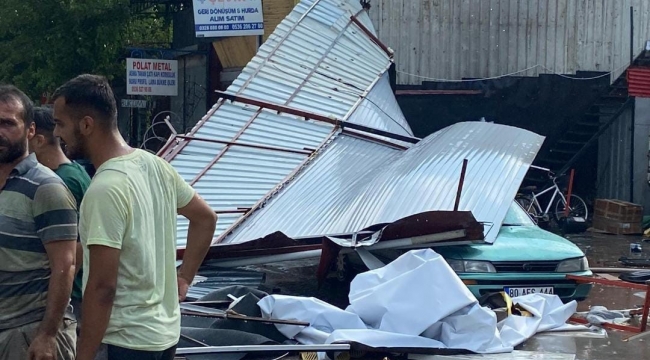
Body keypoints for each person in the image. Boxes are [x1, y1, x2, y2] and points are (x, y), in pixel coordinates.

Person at [52, 74, 216, 360]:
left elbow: (103, 287)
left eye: (60, 123)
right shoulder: (155, 165)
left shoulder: (104, 188)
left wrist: (85, 354)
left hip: (125, 343)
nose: (57, 133)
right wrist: (184, 278)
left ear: (87, 125)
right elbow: (206, 218)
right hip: (164, 337)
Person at [0, 85, 78, 359]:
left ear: (30, 130)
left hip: (28, 336)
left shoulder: (46, 187)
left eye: (7, 123)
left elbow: (66, 265)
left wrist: (47, 335)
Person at [29, 107, 91, 330]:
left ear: (38, 140)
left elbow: (79, 243)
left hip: (71, 296)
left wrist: (65, 280)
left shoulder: (63, 181)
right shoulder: (73, 172)